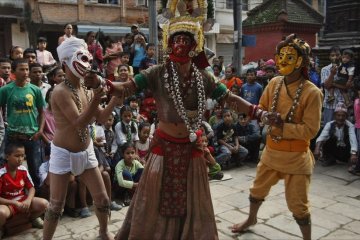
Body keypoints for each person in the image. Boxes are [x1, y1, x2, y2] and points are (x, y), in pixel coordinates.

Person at [81, 7, 267, 237]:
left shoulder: (204, 77)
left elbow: (229, 98)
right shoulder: (156, 72)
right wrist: (105, 83)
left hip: (192, 148)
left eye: (185, 40)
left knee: (194, 199)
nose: (180, 44)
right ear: (169, 44)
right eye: (175, 40)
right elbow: (127, 87)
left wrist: (257, 112)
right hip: (163, 147)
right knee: (154, 198)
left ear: (195, 45)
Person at [231, 34, 323, 240]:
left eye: (289, 57)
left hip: (296, 157)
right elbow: (262, 108)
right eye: (281, 55)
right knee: (256, 190)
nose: (282, 61)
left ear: (301, 62)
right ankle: (251, 219)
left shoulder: (312, 93)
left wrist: (282, 125)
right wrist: (265, 116)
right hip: (271, 152)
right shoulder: (274, 83)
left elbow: (310, 130)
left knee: (298, 205)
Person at [42, 37, 119, 240]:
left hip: (86, 151)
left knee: (102, 198)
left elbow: (101, 117)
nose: (86, 63)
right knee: (56, 205)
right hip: (63, 154)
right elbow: (78, 122)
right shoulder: (59, 91)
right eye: (81, 57)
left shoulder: (85, 88)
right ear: (66, 62)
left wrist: (114, 100)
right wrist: (96, 97)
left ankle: (104, 232)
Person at [0, 59, 45, 188]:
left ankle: (36, 200)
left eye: (26, 69)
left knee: (35, 171)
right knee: (7, 169)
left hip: (32, 137)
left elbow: (42, 113)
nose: (25, 72)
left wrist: (40, 131)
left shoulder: (35, 90)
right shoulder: (6, 90)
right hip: (13, 137)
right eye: (21, 69)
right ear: (14, 72)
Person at [0, 142, 48, 233]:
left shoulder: (23, 169)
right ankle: (1, 229)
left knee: (44, 203)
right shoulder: (1, 174)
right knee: (1, 213)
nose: (20, 159)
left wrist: (28, 200)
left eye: (22, 156)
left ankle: (33, 219)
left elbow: (31, 188)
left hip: (23, 201)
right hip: (7, 204)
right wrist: (14, 203)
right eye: (17, 156)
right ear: (7, 157)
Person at [314, 102, 357, 167]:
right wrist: (317, 148)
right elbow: (322, 137)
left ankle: (349, 160)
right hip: (335, 149)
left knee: (350, 140)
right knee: (326, 139)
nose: (340, 118)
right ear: (334, 116)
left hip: (345, 150)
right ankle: (330, 159)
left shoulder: (350, 126)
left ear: (346, 116)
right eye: (338, 115)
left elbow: (353, 140)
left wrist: (353, 153)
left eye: (343, 116)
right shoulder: (329, 124)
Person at [321, 46, 343, 125]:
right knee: (328, 128)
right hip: (329, 105)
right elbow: (326, 86)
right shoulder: (325, 69)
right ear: (329, 57)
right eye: (332, 55)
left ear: (341, 55)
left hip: (342, 104)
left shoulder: (345, 68)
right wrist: (332, 74)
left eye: (337, 55)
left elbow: (347, 85)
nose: (335, 57)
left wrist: (333, 84)